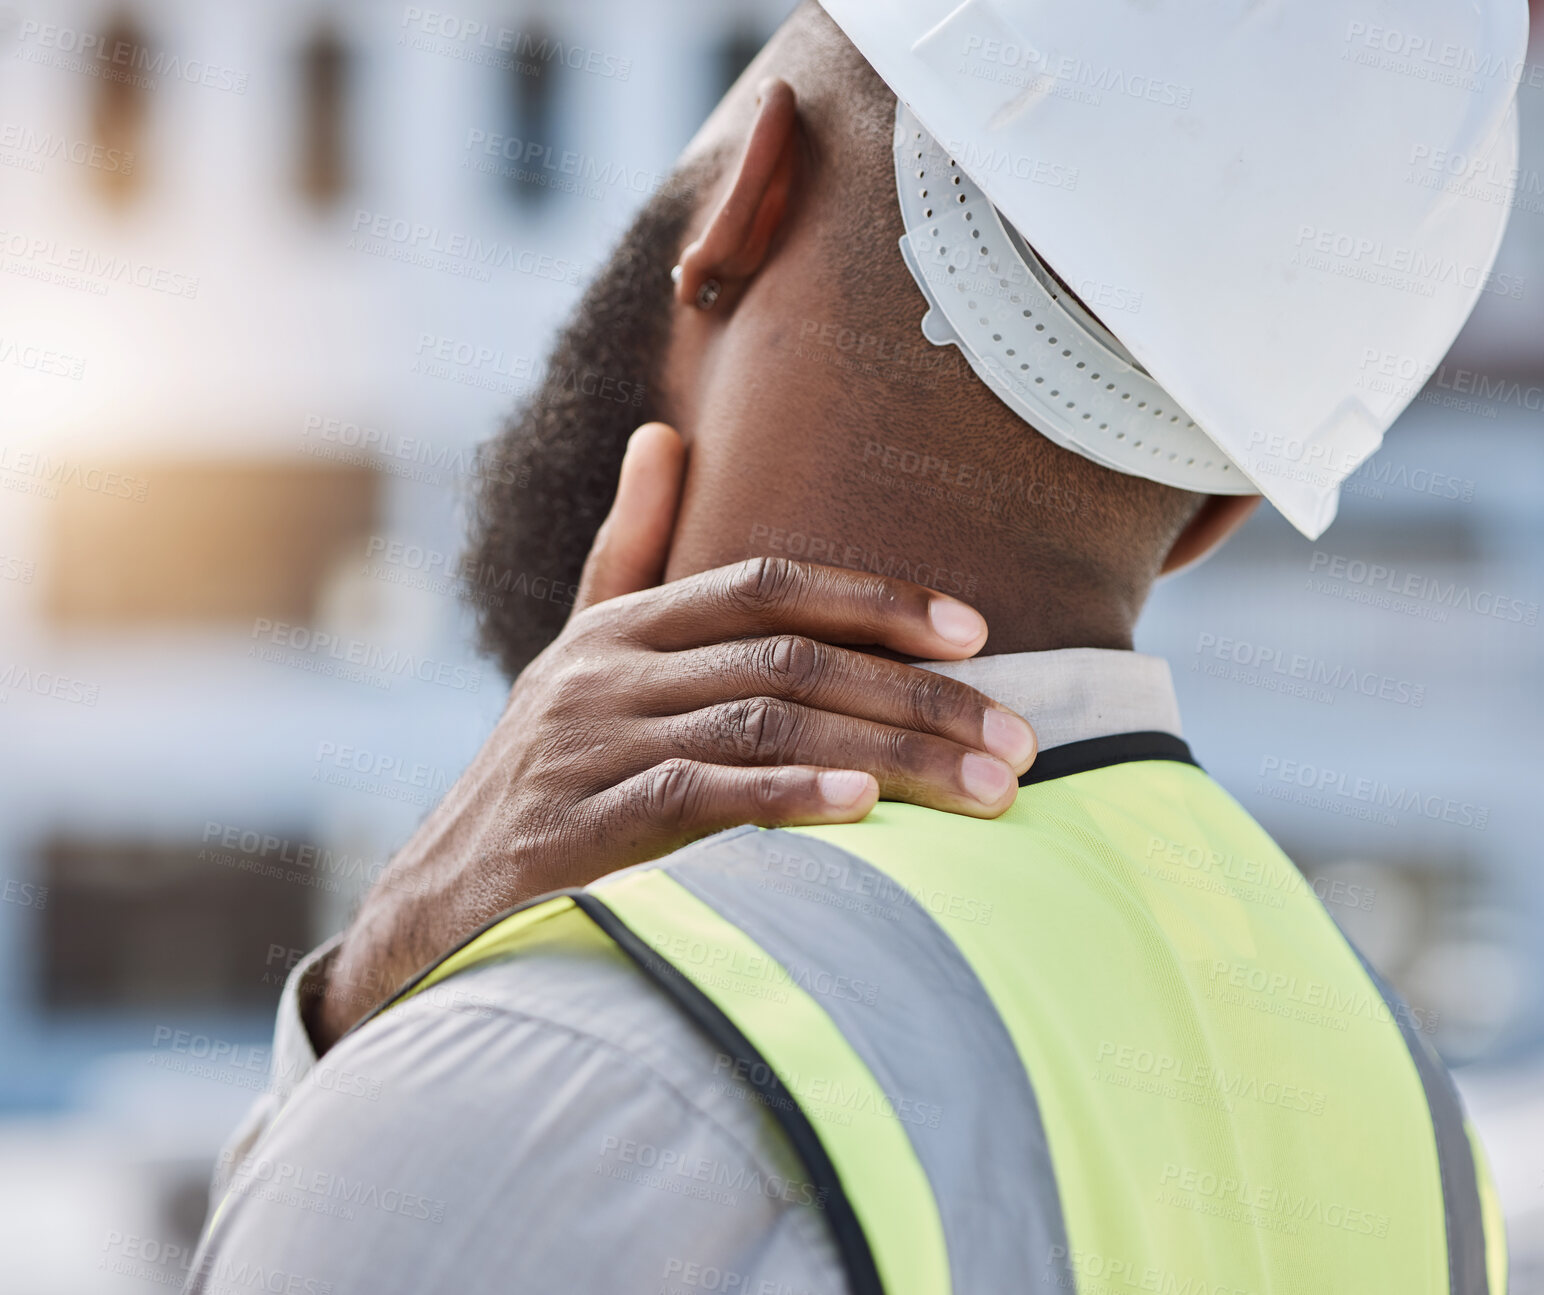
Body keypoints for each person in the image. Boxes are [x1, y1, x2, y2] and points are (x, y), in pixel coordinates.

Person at [189, 2, 1524, 1292]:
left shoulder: (529, 1077)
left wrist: (370, 1016)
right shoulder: (1398, 1112)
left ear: (745, 199)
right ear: (1218, 516)